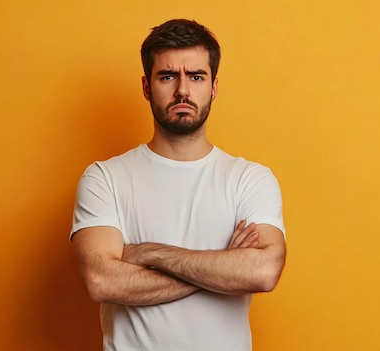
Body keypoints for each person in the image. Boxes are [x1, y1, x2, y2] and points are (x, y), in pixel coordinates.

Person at [70, 19, 286, 351]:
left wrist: (148, 253)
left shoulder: (249, 179)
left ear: (213, 87)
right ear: (146, 87)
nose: (183, 90)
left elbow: (263, 271)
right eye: (168, 76)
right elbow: (102, 280)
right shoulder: (104, 178)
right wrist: (226, 264)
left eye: (196, 76)